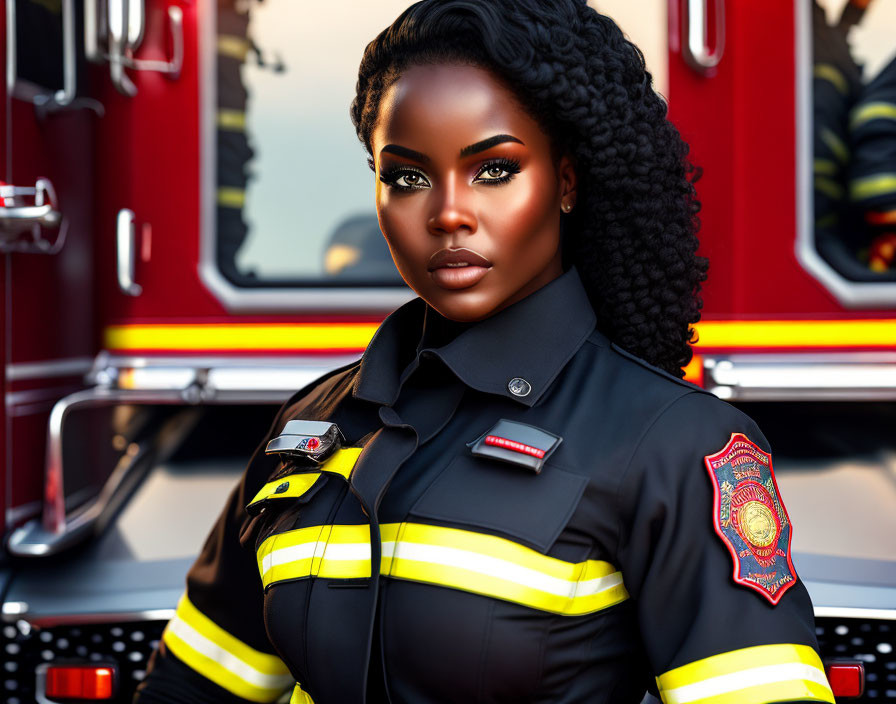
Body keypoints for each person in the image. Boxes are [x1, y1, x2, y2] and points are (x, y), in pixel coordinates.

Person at [135, 2, 836, 702]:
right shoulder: (311, 426)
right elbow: (192, 689)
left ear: (566, 182)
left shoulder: (676, 445)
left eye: (493, 170)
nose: (447, 212)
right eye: (406, 177)